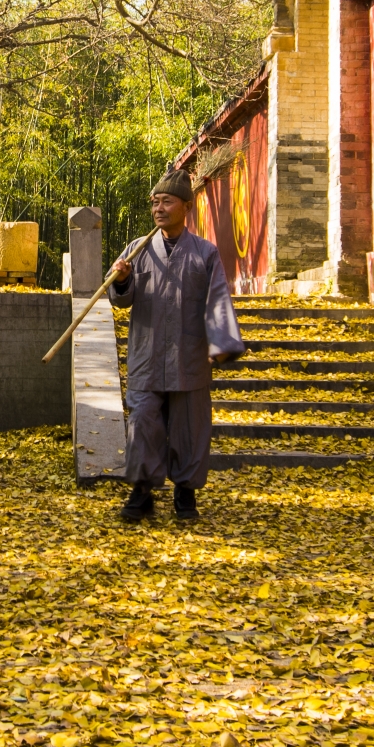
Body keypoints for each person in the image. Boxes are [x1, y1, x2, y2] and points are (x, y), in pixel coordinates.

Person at [110, 168, 246, 520]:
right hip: (147, 356)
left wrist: (222, 342)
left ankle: (186, 493)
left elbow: (217, 298)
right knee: (142, 423)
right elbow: (120, 300)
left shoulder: (204, 253)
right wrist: (122, 280)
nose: (158, 208)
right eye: (155, 202)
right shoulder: (137, 250)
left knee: (190, 428)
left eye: (166, 201)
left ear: (186, 206)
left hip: (188, 356)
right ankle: (141, 492)